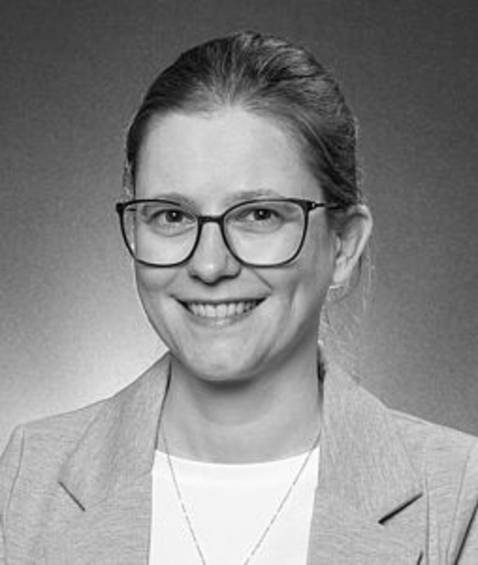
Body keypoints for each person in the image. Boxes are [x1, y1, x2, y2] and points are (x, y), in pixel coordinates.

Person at [0, 30, 477, 564]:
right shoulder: (25, 480)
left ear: (343, 245)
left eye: (259, 215)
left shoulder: (459, 496)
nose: (209, 265)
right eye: (172, 216)